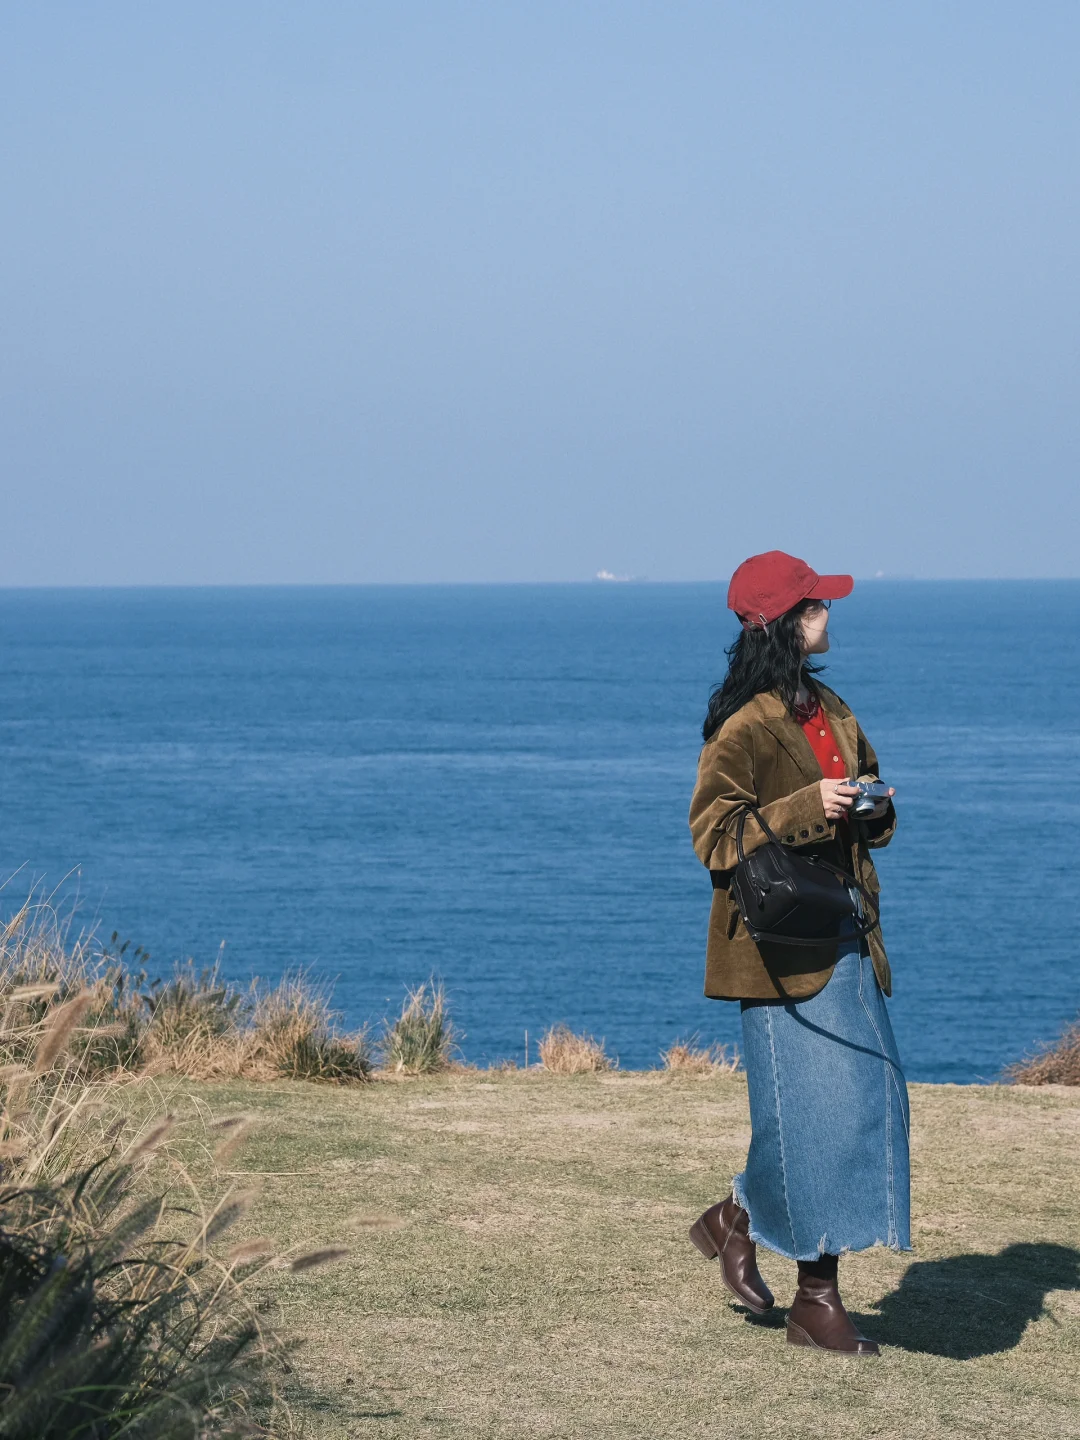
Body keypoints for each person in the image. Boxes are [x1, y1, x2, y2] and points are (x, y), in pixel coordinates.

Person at [687, 550, 909, 1357]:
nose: (828, 615)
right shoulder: (743, 727)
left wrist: (872, 806)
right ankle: (817, 1302)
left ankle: (735, 1219)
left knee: (858, 1106)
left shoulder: (831, 708)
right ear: (783, 623)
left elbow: (865, 792)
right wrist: (805, 806)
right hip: (778, 953)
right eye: (815, 606)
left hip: (848, 934)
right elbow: (713, 835)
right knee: (817, 1119)